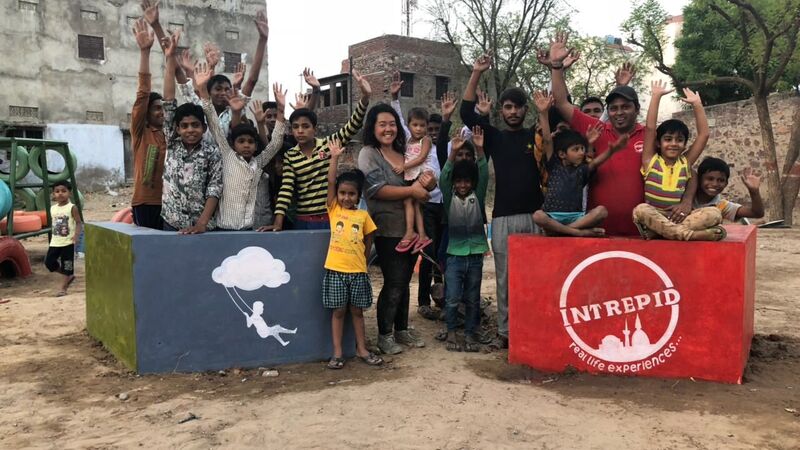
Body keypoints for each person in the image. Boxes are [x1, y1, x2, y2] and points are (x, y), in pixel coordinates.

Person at [460, 52, 544, 349]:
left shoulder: (537, 136)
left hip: (536, 216)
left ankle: (533, 329)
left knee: (534, 279)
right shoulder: (493, 136)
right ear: (501, 110)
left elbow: (560, 110)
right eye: (507, 107)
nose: (512, 112)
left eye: (517, 107)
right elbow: (467, 114)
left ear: (525, 110)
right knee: (505, 279)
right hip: (503, 217)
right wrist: (476, 72)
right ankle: (506, 332)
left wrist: (554, 67)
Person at [548, 32, 645, 237]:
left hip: (641, 233)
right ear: (607, 111)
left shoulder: (650, 135)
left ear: (637, 108)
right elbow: (561, 103)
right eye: (614, 108)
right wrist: (556, 66)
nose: (619, 112)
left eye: (625, 107)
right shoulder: (596, 129)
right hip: (598, 232)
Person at [359, 103, 437, 355]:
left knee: (404, 283)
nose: (388, 128)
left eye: (392, 124)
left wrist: (427, 183)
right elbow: (374, 189)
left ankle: (401, 329)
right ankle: (384, 335)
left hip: (411, 229)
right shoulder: (368, 154)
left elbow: (422, 190)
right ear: (372, 127)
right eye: (382, 124)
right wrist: (411, 190)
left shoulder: (405, 152)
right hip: (386, 229)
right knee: (394, 282)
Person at [272, 70, 372, 231]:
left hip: (331, 218)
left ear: (315, 129)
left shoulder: (328, 145)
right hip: (303, 220)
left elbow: (352, 126)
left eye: (305, 126)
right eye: (295, 127)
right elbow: (286, 190)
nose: (300, 131)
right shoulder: (290, 155)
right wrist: (278, 223)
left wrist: (365, 98)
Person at [193, 62, 286, 231]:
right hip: (223, 229)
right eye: (241, 141)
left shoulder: (258, 162)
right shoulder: (227, 155)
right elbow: (213, 122)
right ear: (233, 144)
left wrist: (281, 109)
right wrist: (202, 90)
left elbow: (276, 143)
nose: (246, 146)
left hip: (249, 229)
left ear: (256, 146)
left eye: (250, 142)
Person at [632, 80, 725, 241]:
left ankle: (663, 233)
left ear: (684, 145)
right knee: (640, 210)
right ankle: (689, 235)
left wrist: (697, 104)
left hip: (678, 217)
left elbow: (704, 135)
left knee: (715, 213)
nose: (674, 144)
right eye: (668, 139)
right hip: (655, 216)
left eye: (679, 140)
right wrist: (655, 97)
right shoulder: (650, 160)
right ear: (658, 144)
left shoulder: (685, 162)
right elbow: (650, 129)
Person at [531, 91, 628, 237]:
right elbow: (547, 140)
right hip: (552, 216)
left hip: (576, 217)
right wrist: (543, 113)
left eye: (582, 149)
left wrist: (611, 151)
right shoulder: (554, 165)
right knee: (538, 215)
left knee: (601, 211)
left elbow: (596, 161)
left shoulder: (582, 170)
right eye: (576, 149)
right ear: (562, 154)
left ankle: (565, 231)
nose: (581, 153)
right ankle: (578, 232)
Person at [322, 138, 384, 369]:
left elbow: (370, 238)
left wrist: (364, 260)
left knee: (357, 312)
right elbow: (330, 181)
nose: (346, 197)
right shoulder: (334, 210)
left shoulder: (363, 216)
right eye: (342, 193)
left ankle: (362, 349)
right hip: (336, 270)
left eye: (351, 194)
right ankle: (337, 352)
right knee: (339, 312)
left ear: (358, 196)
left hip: (358, 271)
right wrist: (334, 158)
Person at [389, 74, 445, 318]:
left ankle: (442, 297)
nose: (423, 130)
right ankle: (423, 301)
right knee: (427, 255)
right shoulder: (409, 138)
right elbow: (400, 122)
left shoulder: (432, 146)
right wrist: (394, 98)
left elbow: (424, 162)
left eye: (429, 128)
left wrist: (408, 165)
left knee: (439, 253)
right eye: (420, 126)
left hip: (438, 201)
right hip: (422, 197)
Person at [160, 31, 222, 233]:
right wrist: (170, 58)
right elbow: (168, 100)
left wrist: (201, 224)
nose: (190, 130)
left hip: (202, 226)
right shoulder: (172, 141)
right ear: (177, 128)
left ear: (204, 128)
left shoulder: (212, 151)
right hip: (171, 221)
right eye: (184, 126)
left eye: (195, 125)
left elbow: (214, 188)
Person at [439, 128, 490, 352]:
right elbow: (444, 177)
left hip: (476, 257)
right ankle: (451, 333)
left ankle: (470, 335)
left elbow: (484, 174)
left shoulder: (476, 197)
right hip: (454, 258)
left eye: (466, 181)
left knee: (472, 298)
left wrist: (479, 149)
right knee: (451, 298)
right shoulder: (449, 198)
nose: (462, 185)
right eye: (458, 182)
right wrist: (453, 153)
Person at [129, 18, 166, 229]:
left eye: (163, 108)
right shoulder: (141, 132)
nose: (161, 112)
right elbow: (143, 94)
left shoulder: (171, 134)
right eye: (156, 108)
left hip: (171, 202)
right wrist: (145, 52)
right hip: (145, 202)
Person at [393, 107, 433, 252]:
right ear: (409, 126)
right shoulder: (408, 140)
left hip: (422, 175)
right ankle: (421, 235)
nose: (418, 129)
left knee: (408, 200)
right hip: (412, 175)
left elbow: (421, 158)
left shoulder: (426, 140)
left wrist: (404, 166)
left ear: (427, 127)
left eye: (422, 125)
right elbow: (400, 121)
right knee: (414, 204)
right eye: (415, 125)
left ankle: (411, 232)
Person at [693, 157, 765, 221]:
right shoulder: (685, 197)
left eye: (721, 180)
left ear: (726, 184)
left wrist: (754, 191)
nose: (715, 184)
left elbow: (757, 213)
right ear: (699, 179)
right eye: (710, 179)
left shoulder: (722, 206)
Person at [45, 181, 82, 297]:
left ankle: (63, 288)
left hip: (68, 242)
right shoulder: (52, 209)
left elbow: (79, 223)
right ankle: (68, 275)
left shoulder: (72, 208)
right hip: (55, 242)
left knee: (67, 264)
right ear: (53, 194)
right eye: (57, 191)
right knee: (49, 262)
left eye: (64, 191)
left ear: (69, 193)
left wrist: (76, 236)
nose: (60, 194)